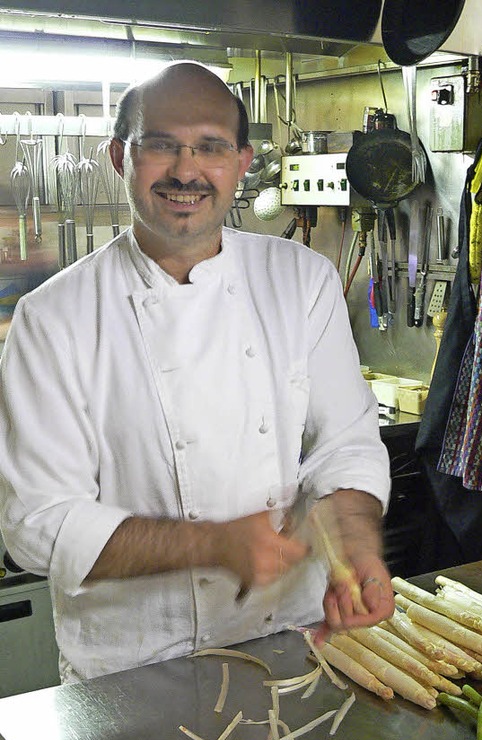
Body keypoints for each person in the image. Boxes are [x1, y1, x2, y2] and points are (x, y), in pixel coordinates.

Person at [0, 61, 394, 687]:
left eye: (210, 146)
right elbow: (35, 525)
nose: (186, 171)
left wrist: (357, 548)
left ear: (241, 162)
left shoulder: (301, 281)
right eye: (161, 145)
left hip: (286, 649)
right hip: (129, 676)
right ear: (118, 157)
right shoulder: (52, 318)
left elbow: (345, 446)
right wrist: (211, 544)